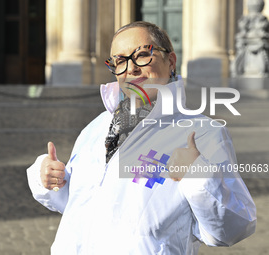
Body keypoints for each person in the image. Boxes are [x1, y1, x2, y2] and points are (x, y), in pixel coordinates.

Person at [27, 21, 256, 254]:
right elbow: (82, 203)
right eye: (120, 60)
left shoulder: (204, 133)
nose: (131, 69)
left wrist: (199, 175)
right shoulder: (97, 127)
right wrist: (53, 178)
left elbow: (231, 229)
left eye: (143, 54)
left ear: (171, 62)